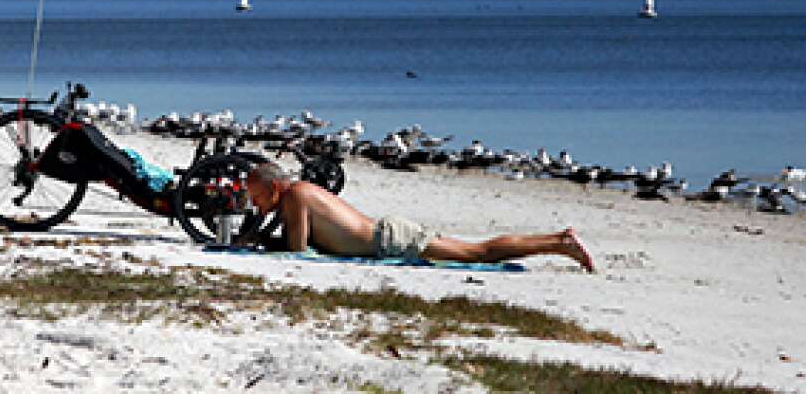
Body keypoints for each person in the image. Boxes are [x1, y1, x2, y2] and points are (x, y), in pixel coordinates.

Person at [242, 162, 594, 272]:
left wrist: (259, 241)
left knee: (478, 253)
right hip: (389, 236)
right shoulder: (293, 198)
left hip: (393, 240)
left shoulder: (298, 196)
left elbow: (296, 249)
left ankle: (559, 243)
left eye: (257, 198)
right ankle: (558, 242)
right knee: (477, 250)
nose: (257, 207)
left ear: (275, 189)